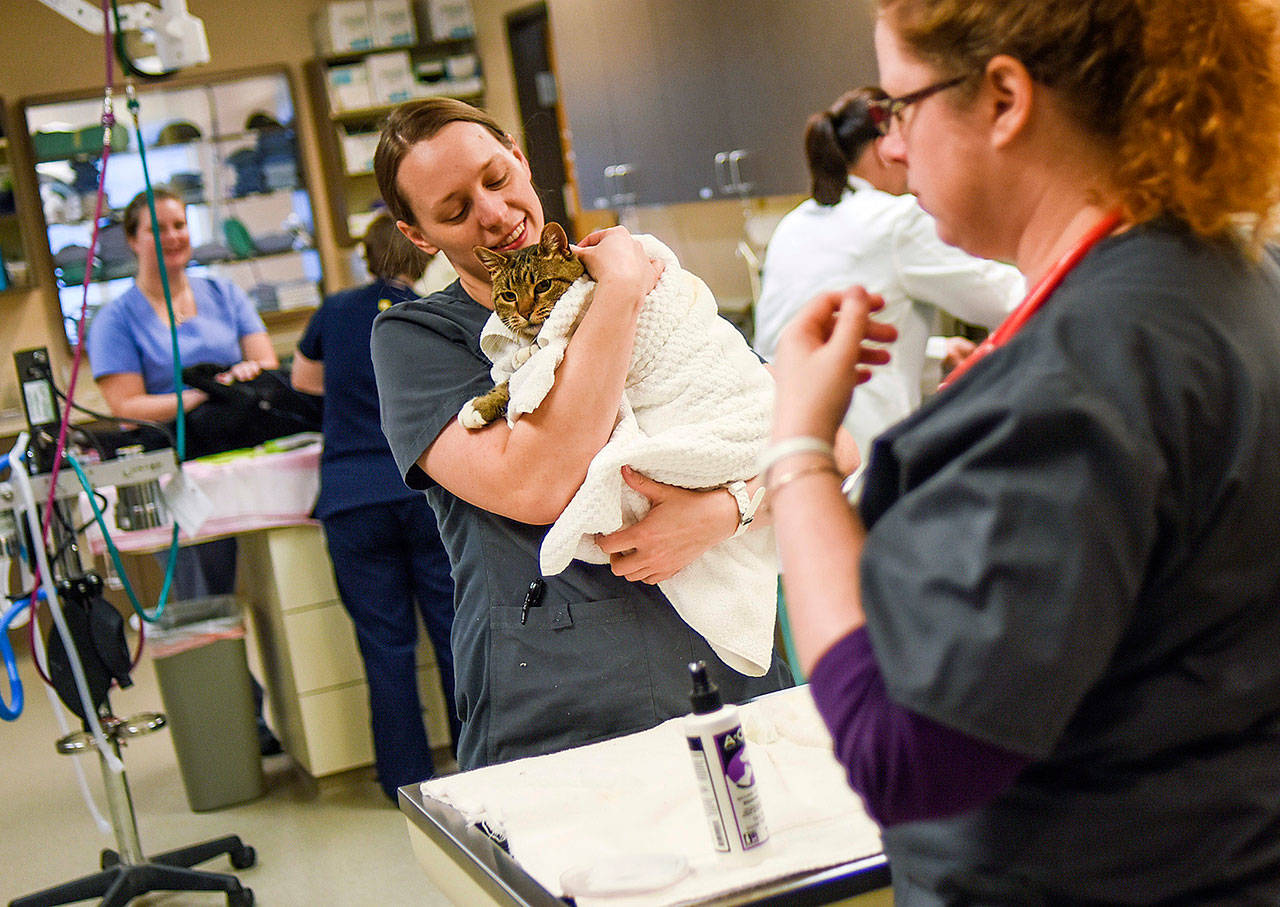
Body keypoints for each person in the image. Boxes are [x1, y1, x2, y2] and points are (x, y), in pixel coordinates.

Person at [766, 0, 1280, 902]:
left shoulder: (1085, 371)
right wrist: (997, 409)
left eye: (901, 106)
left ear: (1005, 97)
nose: (893, 148)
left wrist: (799, 448)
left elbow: (904, 751)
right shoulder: (1227, 278)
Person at [368, 98, 793, 771]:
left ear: (519, 157)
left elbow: (821, 448)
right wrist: (617, 292)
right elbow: (538, 483)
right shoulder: (419, 340)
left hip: (726, 667)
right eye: (453, 211)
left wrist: (726, 508)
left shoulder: (659, 291)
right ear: (419, 236)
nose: (495, 213)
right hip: (564, 699)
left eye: (497, 179)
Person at [88, 186, 282, 755]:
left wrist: (224, 387)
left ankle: (295, 715)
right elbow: (124, 406)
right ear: (133, 240)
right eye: (158, 229)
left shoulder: (222, 292)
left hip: (244, 457)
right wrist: (205, 395)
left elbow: (264, 364)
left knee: (285, 579)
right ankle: (235, 723)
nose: (173, 237)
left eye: (179, 225)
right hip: (177, 471)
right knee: (202, 592)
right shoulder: (116, 319)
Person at [752, 86, 1023, 456]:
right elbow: (1006, 298)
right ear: (885, 148)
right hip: (861, 448)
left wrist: (936, 352)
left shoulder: (793, 223)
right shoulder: (896, 220)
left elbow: (826, 342)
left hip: (783, 441)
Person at [291, 214, 460, 800]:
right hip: (422, 493)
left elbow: (303, 380)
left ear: (365, 255)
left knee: (385, 645)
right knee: (454, 633)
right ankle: (479, 763)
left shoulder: (335, 311)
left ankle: (403, 780)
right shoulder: (432, 311)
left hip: (351, 499)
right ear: (422, 251)